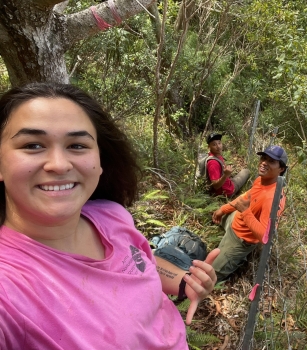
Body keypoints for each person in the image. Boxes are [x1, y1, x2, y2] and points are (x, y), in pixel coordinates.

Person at [0, 82, 219, 349]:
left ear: (100, 160)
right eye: (33, 145)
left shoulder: (111, 215)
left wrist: (185, 282)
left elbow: (140, 264)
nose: (59, 164)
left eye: (77, 145)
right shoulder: (9, 289)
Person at [211, 145, 287, 282]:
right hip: (235, 219)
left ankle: (237, 259)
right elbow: (244, 198)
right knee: (213, 215)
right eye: (264, 158)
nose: (264, 162)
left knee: (209, 276)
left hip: (240, 239)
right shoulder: (261, 180)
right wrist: (223, 209)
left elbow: (265, 237)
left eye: (271, 161)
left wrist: (245, 212)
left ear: (281, 169)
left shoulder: (273, 198)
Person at [205, 132, 250, 198]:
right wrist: (226, 175)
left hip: (226, 183)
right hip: (227, 192)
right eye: (214, 144)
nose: (218, 146)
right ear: (209, 147)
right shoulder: (213, 163)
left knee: (238, 174)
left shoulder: (216, 155)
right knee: (246, 171)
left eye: (219, 143)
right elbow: (215, 185)